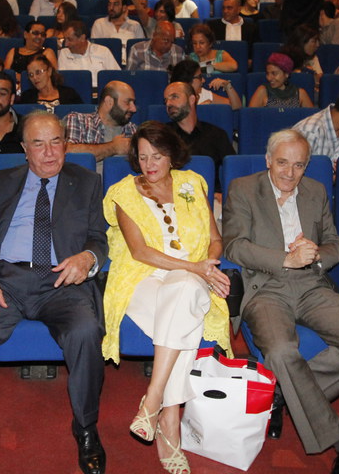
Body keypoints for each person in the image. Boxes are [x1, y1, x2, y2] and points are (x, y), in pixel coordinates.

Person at [0, 112, 107, 474]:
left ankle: (85, 426)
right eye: (38, 143)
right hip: (5, 280)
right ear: (24, 149)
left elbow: (99, 237)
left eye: (56, 142)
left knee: (85, 332)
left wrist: (87, 257)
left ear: (66, 145)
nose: (49, 153)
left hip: (62, 282)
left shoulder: (86, 182)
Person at [223, 128, 339, 474]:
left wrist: (314, 255)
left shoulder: (316, 191)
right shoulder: (244, 188)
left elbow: (337, 244)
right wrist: (285, 258)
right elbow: (235, 246)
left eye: (298, 165)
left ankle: (282, 392)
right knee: (281, 352)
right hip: (265, 288)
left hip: (312, 284)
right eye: (282, 163)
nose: (289, 173)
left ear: (306, 166)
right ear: (269, 160)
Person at [102, 122, 231, 474]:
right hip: (141, 277)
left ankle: (154, 401)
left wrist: (210, 263)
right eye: (142, 157)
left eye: (157, 155)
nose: (149, 164)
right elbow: (140, 252)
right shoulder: (123, 192)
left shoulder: (193, 183)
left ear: (172, 154)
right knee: (187, 308)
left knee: (186, 291)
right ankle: (169, 417)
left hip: (188, 276)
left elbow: (214, 238)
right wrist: (195, 267)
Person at [65, 80, 138, 163]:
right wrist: (113, 147)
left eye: (133, 103)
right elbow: (68, 153)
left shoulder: (133, 129)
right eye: (128, 102)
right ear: (109, 102)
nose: (134, 109)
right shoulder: (78, 120)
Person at [58, 20, 120, 89]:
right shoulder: (64, 53)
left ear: (82, 38)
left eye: (70, 39)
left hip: (101, 93)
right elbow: (62, 82)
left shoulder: (103, 51)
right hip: (75, 93)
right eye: (65, 39)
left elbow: (117, 77)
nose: (66, 44)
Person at [18, 54, 83, 109]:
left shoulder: (69, 94)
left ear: (49, 71)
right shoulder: (26, 98)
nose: (34, 78)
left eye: (38, 72)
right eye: (31, 75)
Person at [249, 52, 314, 108]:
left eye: (274, 73)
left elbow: (312, 119)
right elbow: (250, 117)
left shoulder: (300, 93)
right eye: (267, 73)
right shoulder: (262, 91)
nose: (269, 78)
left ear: (286, 74)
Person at [169, 59, 242, 108]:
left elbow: (236, 107)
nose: (203, 80)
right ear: (188, 82)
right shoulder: (173, 99)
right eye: (200, 77)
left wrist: (227, 86)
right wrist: (200, 110)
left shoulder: (203, 93)